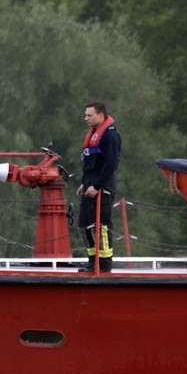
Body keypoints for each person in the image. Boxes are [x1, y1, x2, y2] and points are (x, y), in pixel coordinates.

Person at [76, 101, 121, 272]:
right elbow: (90, 163)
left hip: (102, 188)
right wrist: (84, 183)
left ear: (100, 115)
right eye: (85, 114)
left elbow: (111, 165)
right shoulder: (94, 133)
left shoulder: (110, 136)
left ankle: (103, 265)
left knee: (101, 226)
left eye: (89, 115)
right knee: (83, 225)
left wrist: (97, 186)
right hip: (89, 185)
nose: (85, 118)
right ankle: (92, 261)